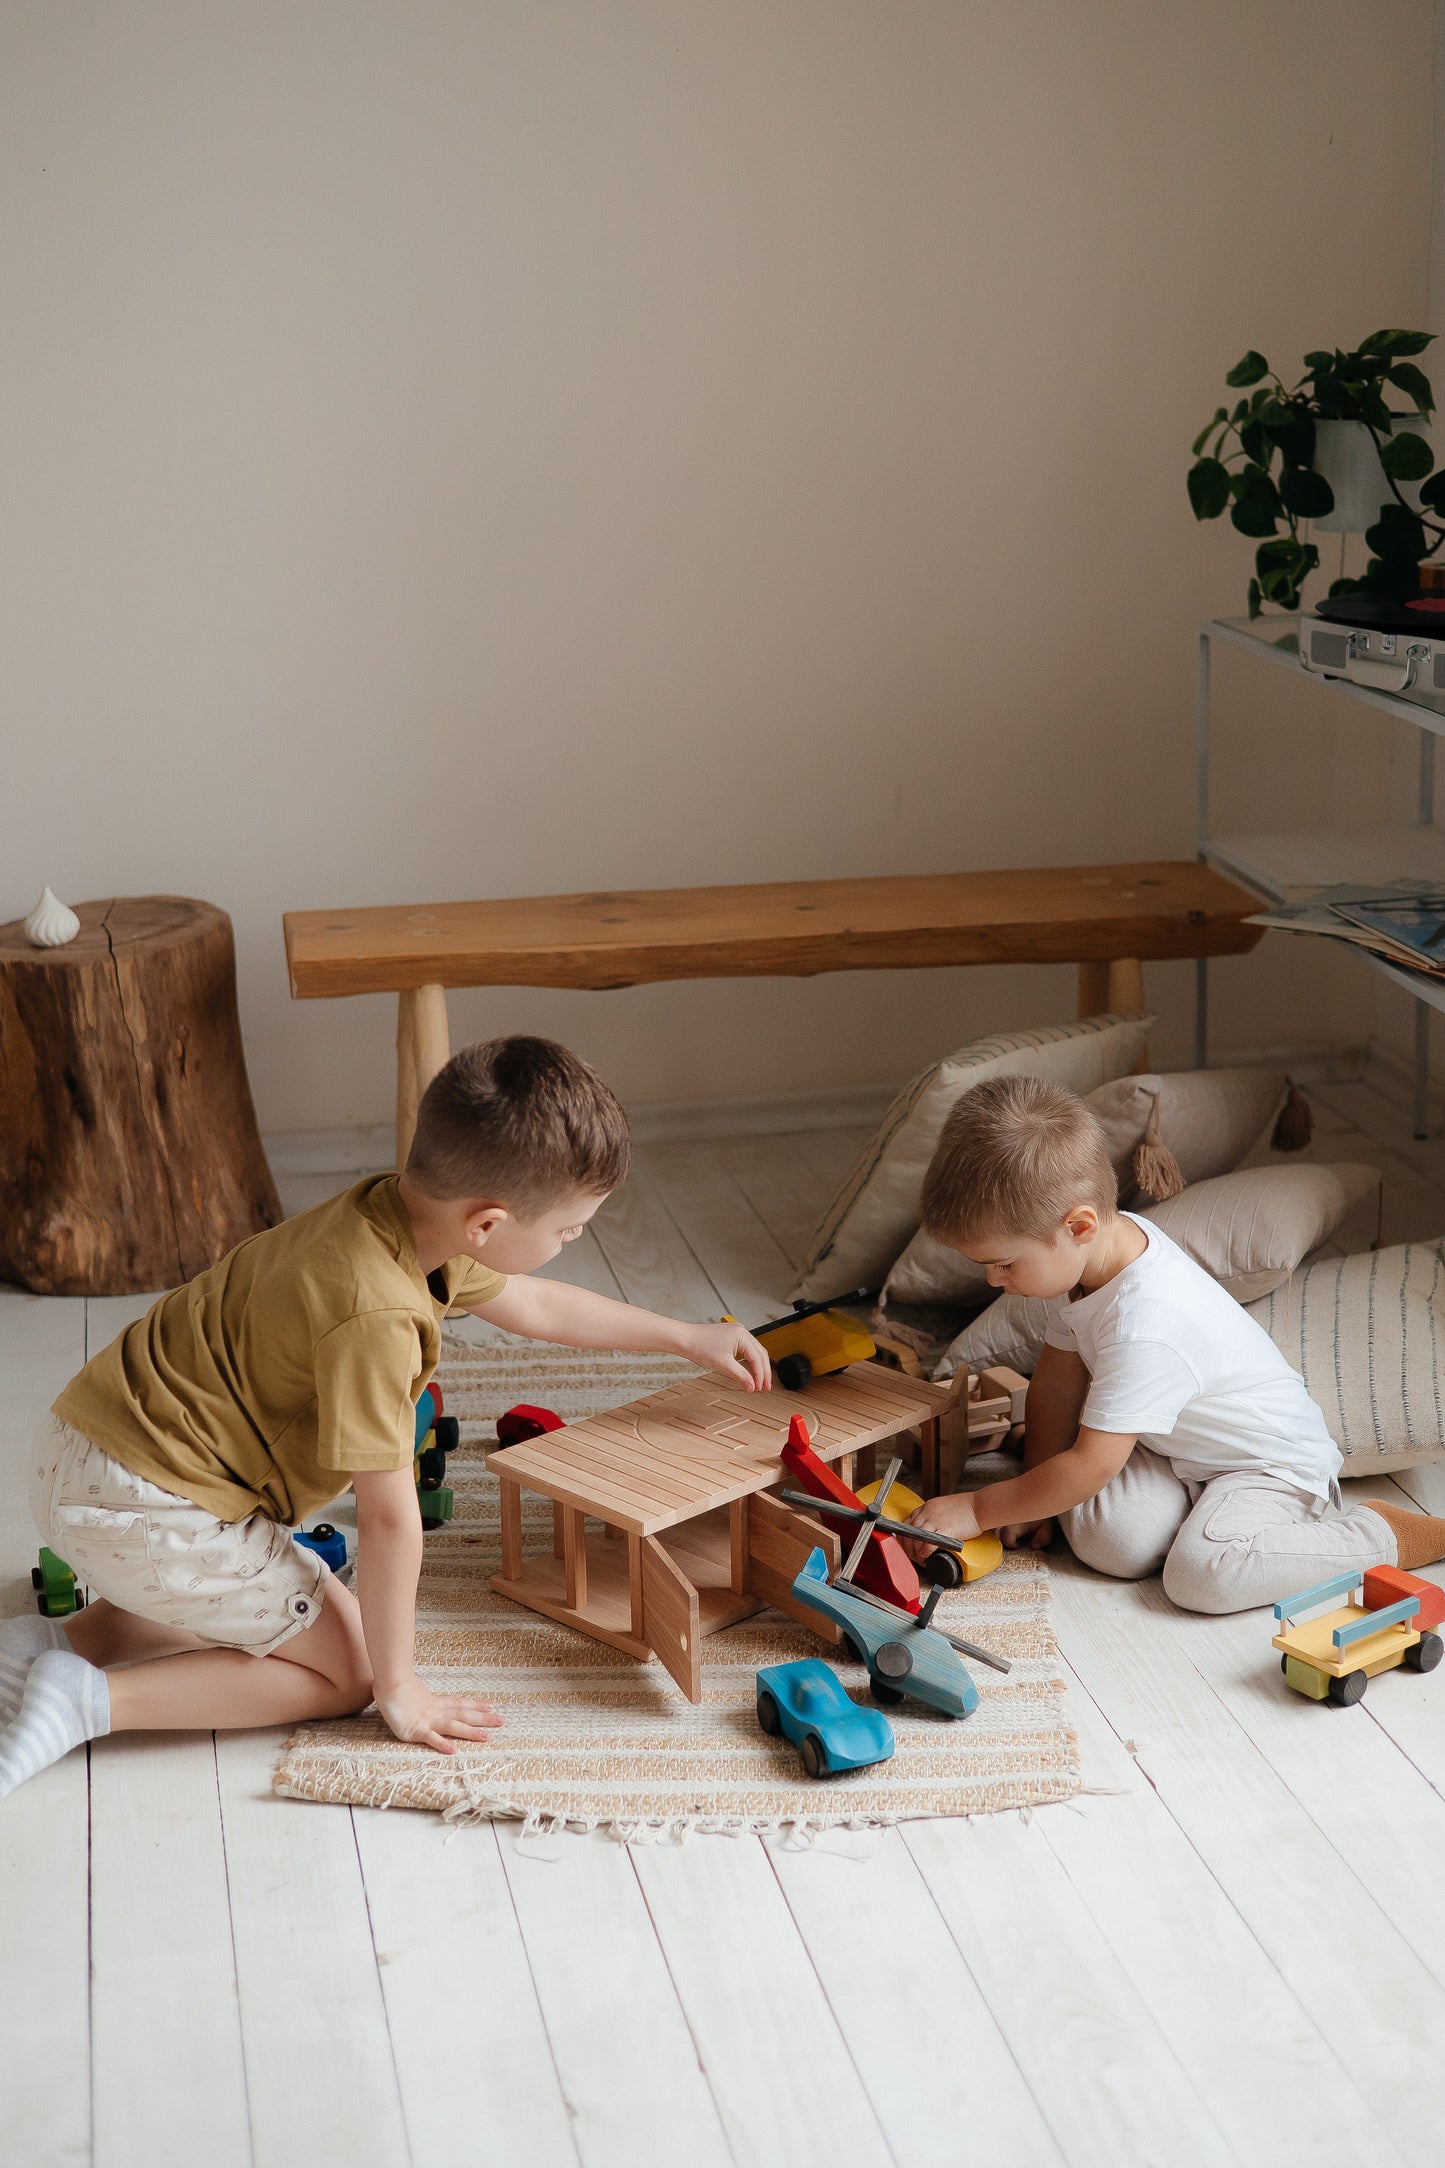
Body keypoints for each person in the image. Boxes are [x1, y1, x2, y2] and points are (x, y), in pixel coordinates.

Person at [0, 1036, 769, 1798]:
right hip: (148, 1505)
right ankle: (90, 1702)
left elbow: (531, 1302)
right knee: (348, 1671)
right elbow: (391, 1520)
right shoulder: (379, 1317)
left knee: (240, 1604)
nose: (571, 1244)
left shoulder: (397, 1214)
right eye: (569, 1231)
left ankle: (45, 1647)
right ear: (488, 1224)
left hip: (88, 1446)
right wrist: (399, 1686)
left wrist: (683, 1336)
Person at [902, 1073, 1445, 1612]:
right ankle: (1164, 1507)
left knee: (1200, 1576)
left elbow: (1091, 1464)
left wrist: (980, 1508)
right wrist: (1031, 1495)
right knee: (1111, 1543)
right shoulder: (1089, 1261)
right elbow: (1057, 1382)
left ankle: (1381, 1534)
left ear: (1080, 1226)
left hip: (1265, 1468)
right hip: (1177, 1451)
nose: (995, 1281)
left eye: (1003, 1264)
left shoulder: (1146, 1321)